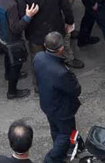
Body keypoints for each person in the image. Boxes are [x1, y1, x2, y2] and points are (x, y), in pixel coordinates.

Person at [17, 0, 76, 86]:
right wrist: (69, 21)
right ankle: (59, 81)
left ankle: (39, 86)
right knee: (57, 57)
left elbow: (22, 14)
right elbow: (65, 5)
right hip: (55, 27)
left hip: (35, 32)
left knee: (38, 60)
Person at [33, 31, 81, 163]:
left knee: (55, 128)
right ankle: (52, 158)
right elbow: (76, 90)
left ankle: (60, 151)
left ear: (45, 45)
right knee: (65, 134)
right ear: (61, 48)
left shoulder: (38, 57)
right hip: (61, 109)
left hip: (46, 102)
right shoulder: (62, 72)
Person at [0, 0, 33, 99]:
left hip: (1, 34)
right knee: (15, 64)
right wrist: (28, 16)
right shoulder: (11, 4)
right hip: (12, 39)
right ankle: (12, 91)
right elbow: (16, 28)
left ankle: (7, 74)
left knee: (7, 57)